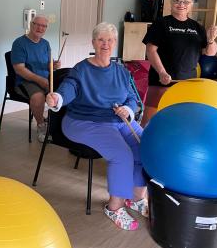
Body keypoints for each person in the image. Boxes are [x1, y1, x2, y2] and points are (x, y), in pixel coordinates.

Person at [46, 22, 147, 231]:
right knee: (122, 155)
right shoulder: (81, 69)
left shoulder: (122, 71)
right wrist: (57, 98)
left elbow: (132, 99)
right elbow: (68, 89)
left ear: (115, 43)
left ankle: (135, 198)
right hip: (84, 122)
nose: (105, 44)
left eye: (110, 40)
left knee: (145, 145)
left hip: (118, 121)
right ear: (93, 42)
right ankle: (115, 207)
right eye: (101, 39)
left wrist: (128, 110)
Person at [141, 0, 217, 126]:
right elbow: (151, 50)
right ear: (171, 3)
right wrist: (162, 72)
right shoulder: (161, 23)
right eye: (177, 0)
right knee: (149, 120)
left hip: (188, 83)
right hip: (162, 80)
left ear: (191, 5)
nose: (181, 4)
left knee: (180, 120)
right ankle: (140, 144)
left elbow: (210, 52)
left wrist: (211, 39)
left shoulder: (197, 27)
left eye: (185, 2)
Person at [11, 15, 60, 142]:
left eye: (44, 26)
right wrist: (40, 80)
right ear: (31, 25)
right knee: (38, 97)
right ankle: (41, 125)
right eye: (37, 24)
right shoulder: (19, 43)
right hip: (25, 81)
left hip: (45, 79)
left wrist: (53, 65)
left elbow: (48, 65)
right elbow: (19, 69)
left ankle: (57, 124)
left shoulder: (45, 44)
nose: (40, 28)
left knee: (64, 91)